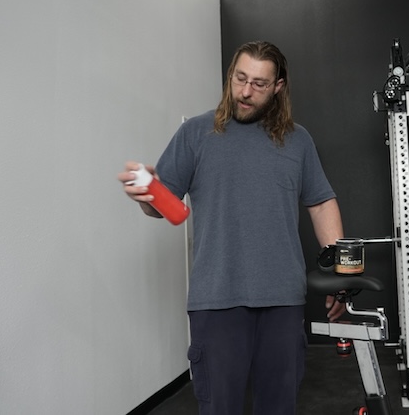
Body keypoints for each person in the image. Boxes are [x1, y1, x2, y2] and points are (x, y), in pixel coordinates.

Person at [117, 41, 346, 415]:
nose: (245, 91)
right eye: (240, 78)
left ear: (278, 87)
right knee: (219, 408)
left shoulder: (297, 140)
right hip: (217, 299)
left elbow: (321, 203)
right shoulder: (195, 134)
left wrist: (339, 271)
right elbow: (161, 208)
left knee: (278, 406)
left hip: (283, 299)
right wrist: (147, 194)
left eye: (258, 83)